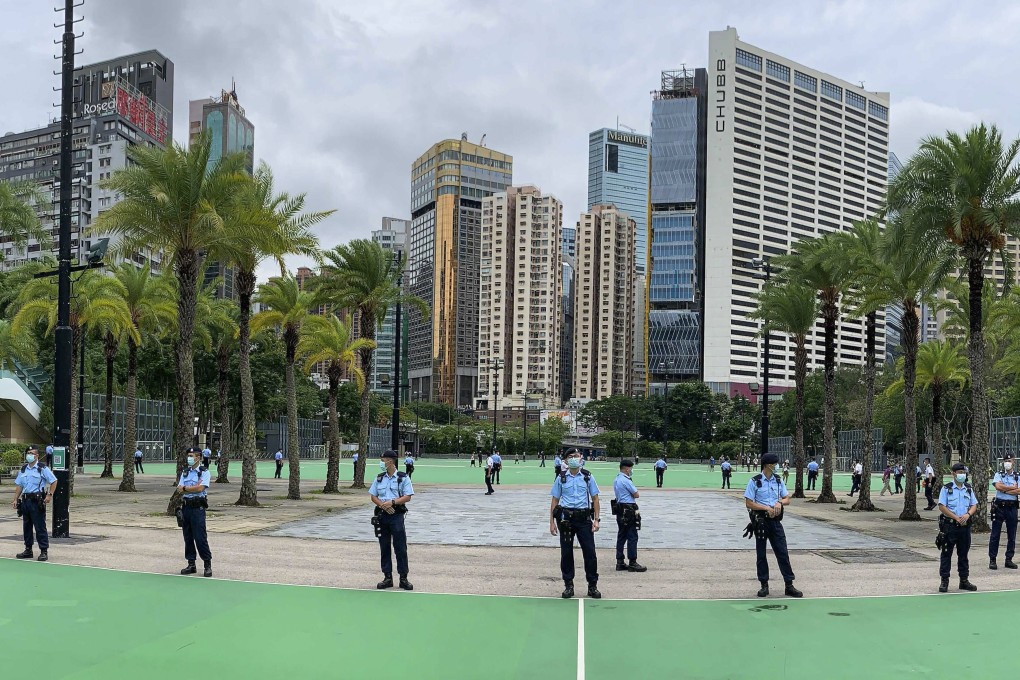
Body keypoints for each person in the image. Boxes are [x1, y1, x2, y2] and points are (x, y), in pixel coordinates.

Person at [744, 452, 802, 598]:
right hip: (761, 522)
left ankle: (789, 584)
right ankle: (764, 585)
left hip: (775, 522)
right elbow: (748, 503)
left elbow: (787, 498)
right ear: (767, 465)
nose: (776, 466)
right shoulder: (755, 481)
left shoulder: (777, 480)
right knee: (761, 554)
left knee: (782, 552)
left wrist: (779, 502)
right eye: (774, 464)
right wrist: (766, 508)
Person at [550, 449, 602, 599]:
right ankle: (568, 585)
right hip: (565, 519)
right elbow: (555, 500)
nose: (574, 458)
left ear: (581, 458)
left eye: (576, 456)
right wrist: (552, 523)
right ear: (565, 461)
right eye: (570, 457)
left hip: (584, 519)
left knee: (590, 553)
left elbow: (595, 499)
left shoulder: (587, 477)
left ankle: (592, 585)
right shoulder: (561, 477)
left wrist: (596, 520)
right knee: (566, 553)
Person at [369, 450, 414, 591]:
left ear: (391, 461)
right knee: (384, 546)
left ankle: (403, 578)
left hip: (396, 515)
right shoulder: (379, 478)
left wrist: (393, 502)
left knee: (400, 547)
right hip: (383, 515)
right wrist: (382, 505)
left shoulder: (402, 478)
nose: (382, 462)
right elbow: (373, 496)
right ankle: (387, 577)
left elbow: (407, 496)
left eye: (384, 460)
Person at [937, 462, 977, 592]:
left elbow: (974, 505)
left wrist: (968, 514)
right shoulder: (946, 488)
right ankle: (944, 581)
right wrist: (955, 517)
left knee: (963, 554)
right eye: (959, 473)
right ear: (953, 474)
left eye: (963, 473)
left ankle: (964, 580)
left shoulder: (968, 488)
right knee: (946, 553)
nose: (962, 475)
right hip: (950, 526)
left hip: (964, 526)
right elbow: (942, 506)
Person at [12, 445, 57, 561]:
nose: (29, 455)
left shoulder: (42, 468)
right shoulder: (23, 469)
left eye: (32, 453)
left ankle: (43, 550)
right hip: (26, 501)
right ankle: (28, 549)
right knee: (26, 527)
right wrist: (15, 499)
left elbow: (54, 481)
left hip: (37, 501)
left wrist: (49, 495)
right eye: (28, 453)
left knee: (40, 526)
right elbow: (19, 485)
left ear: (37, 456)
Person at [177, 447, 213, 577]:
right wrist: (190, 488)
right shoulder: (185, 472)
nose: (189, 458)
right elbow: (179, 489)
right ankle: (191, 564)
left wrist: (186, 488)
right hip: (186, 507)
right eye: (188, 455)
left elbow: (200, 488)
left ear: (198, 457)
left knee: (200, 537)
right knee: (188, 537)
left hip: (198, 508)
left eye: (192, 456)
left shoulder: (204, 472)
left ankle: (207, 564)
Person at [613, 459, 646, 573]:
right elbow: (636, 494)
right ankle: (633, 561)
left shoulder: (616, 479)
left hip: (619, 508)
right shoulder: (626, 480)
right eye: (631, 469)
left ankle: (620, 561)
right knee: (632, 535)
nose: (631, 471)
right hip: (629, 508)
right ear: (627, 469)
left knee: (621, 535)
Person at [990, 454, 1020, 570]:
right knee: (995, 534)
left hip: (1012, 507)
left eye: (1010, 461)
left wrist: (1005, 490)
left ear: (1014, 462)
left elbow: (1019, 491)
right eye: (1006, 461)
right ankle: (992, 559)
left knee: (1011, 535)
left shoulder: (1017, 476)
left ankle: (1009, 559)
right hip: (999, 506)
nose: (1007, 463)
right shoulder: (998, 474)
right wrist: (1012, 488)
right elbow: (997, 486)